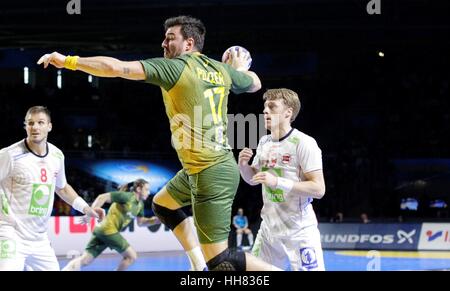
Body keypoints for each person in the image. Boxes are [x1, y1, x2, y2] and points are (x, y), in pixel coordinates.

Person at [38, 15, 279, 271]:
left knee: (221, 261)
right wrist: (236, 70)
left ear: (189, 43)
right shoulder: (220, 69)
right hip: (197, 170)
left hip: (212, 173)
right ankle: (197, 264)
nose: (163, 43)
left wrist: (68, 61)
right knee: (163, 205)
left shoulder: (176, 67)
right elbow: (255, 83)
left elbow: (117, 68)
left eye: (170, 38)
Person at [0, 106, 101, 271]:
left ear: (49, 126)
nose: (35, 127)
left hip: (39, 239)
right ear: (25, 126)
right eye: (30, 123)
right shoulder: (9, 155)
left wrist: (86, 208)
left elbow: (62, 188)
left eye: (40, 122)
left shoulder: (57, 155)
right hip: (11, 234)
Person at [238, 88, 326, 271]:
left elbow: (318, 189)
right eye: (264, 107)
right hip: (269, 230)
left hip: (299, 231)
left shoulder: (304, 143)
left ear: (288, 112)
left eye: (272, 106)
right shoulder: (264, 142)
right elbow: (253, 179)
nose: (265, 111)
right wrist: (243, 166)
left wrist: (277, 182)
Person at [62, 179, 160, 271]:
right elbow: (102, 197)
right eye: (146, 189)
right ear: (138, 189)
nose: (149, 192)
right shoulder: (127, 196)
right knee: (131, 256)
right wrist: (90, 213)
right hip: (108, 229)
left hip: (102, 231)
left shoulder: (140, 205)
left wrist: (157, 220)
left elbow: (141, 222)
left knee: (85, 260)